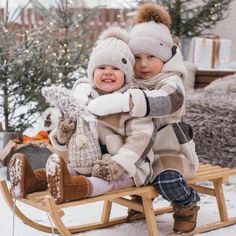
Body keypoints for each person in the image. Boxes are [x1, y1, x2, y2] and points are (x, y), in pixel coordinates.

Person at [8, 27, 156, 206]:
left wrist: (118, 165)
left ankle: (74, 189)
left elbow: (141, 140)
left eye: (116, 68)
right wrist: (62, 135)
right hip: (88, 163)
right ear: (92, 73)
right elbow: (64, 146)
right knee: (68, 170)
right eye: (101, 67)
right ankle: (31, 181)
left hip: (128, 170)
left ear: (126, 75)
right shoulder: (83, 100)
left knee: (103, 182)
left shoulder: (132, 102)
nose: (108, 72)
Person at [86, 3, 200, 234]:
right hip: (135, 146)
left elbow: (170, 100)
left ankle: (186, 204)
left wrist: (129, 101)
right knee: (123, 166)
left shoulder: (171, 81)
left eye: (151, 56)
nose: (144, 64)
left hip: (166, 148)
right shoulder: (129, 79)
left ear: (166, 56)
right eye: (137, 57)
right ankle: (139, 201)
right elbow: (102, 84)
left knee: (167, 179)